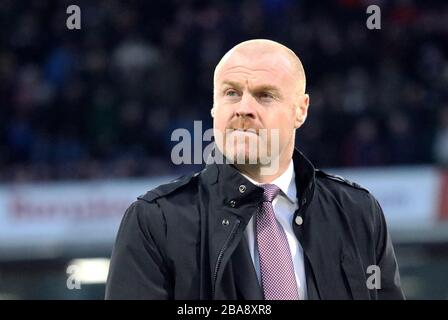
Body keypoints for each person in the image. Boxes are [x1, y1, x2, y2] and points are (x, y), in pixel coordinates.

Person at [105, 39, 405, 300]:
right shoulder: (154, 222)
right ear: (214, 106)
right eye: (231, 93)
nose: (243, 108)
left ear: (301, 109)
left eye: (265, 95)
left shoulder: (359, 213)